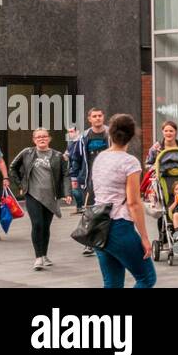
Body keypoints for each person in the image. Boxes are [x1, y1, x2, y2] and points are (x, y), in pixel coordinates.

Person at [90, 114, 155, 288]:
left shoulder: (100, 158)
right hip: (119, 226)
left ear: (109, 133)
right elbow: (134, 203)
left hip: (98, 225)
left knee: (112, 284)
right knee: (147, 278)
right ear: (132, 136)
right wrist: (145, 237)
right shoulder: (130, 162)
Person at [8, 129, 72, 270]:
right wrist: (21, 185)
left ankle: (44, 255)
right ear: (34, 139)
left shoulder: (57, 155)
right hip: (33, 195)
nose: (41, 139)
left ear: (49, 138)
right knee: (37, 224)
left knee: (45, 227)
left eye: (44, 136)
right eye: (38, 137)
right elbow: (13, 168)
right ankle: (38, 258)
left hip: (51, 197)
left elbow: (65, 175)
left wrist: (67, 193)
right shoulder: (27, 153)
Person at [68, 107, 111, 256]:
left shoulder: (110, 134)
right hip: (90, 180)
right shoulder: (84, 137)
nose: (98, 118)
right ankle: (89, 243)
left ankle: (108, 241)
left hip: (109, 179)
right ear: (89, 119)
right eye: (95, 116)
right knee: (90, 211)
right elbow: (76, 158)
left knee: (109, 210)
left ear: (103, 117)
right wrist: (74, 178)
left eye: (100, 115)